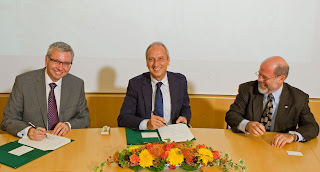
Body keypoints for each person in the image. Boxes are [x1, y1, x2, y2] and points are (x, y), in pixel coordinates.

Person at [1, 41, 90, 140]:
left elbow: (84, 119)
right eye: (56, 61)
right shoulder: (23, 82)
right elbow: (8, 120)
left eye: (66, 63)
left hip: (64, 141)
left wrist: (68, 125)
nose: (60, 68)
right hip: (33, 144)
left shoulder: (77, 84)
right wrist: (28, 131)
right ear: (46, 60)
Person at [225, 56, 319, 148]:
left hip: (279, 149)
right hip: (249, 144)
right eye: (259, 74)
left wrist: (292, 136)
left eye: (264, 77)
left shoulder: (298, 98)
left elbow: (312, 126)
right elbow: (232, 115)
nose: (259, 79)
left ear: (281, 79)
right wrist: (247, 125)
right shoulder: (247, 89)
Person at [117, 42, 191, 130]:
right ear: (146, 63)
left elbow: (185, 108)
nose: (156, 64)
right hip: (147, 135)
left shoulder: (180, 81)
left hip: (173, 134)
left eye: (160, 59)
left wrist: (184, 118)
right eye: (151, 59)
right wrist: (146, 124)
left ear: (168, 61)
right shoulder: (135, 84)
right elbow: (123, 118)